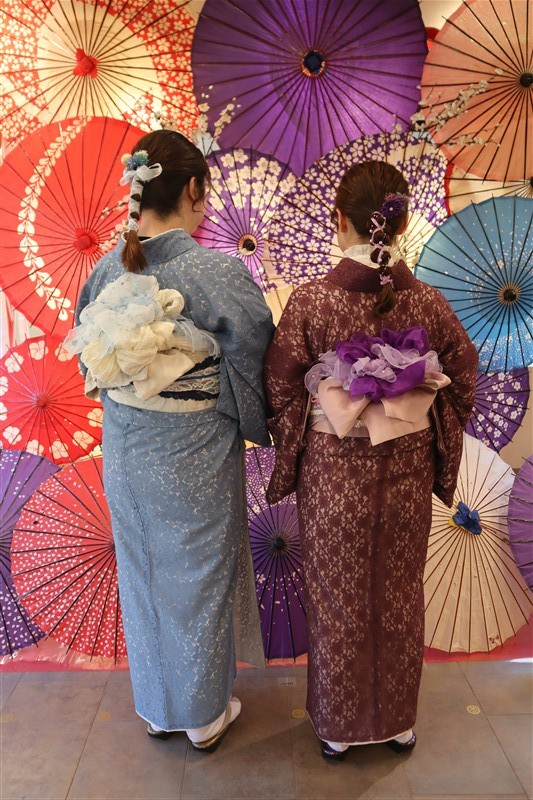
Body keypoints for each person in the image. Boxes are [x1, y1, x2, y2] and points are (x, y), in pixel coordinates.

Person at [67, 130, 274, 751]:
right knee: (199, 570)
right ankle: (203, 714)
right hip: (195, 448)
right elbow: (256, 347)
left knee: (144, 570)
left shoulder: (107, 268)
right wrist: (238, 405)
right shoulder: (216, 271)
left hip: (128, 447)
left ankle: (159, 707)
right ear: (193, 189)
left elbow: (89, 361)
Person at [264, 161, 478, 760]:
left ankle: (339, 727)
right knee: (400, 591)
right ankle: (397, 723)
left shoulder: (312, 302)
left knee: (337, 595)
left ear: (340, 220)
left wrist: (318, 416)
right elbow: (463, 378)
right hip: (405, 473)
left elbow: (279, 387)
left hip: (333, 475)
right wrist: (423, 417)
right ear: (403, 224)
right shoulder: (429, 302)